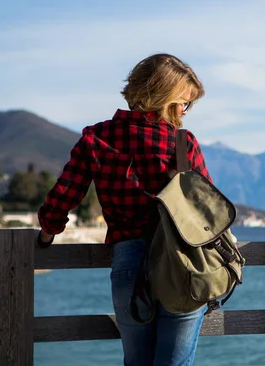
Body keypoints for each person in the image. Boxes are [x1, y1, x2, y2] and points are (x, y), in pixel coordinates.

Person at [37, 53, 213, 365]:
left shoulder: (97, 137)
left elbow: (63, 196)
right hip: (182, 263)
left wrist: (46, 236)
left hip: (128, 262)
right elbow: (206, 212)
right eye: (184, 103)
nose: (185, 112)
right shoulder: (183, 144)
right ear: (164, 97)